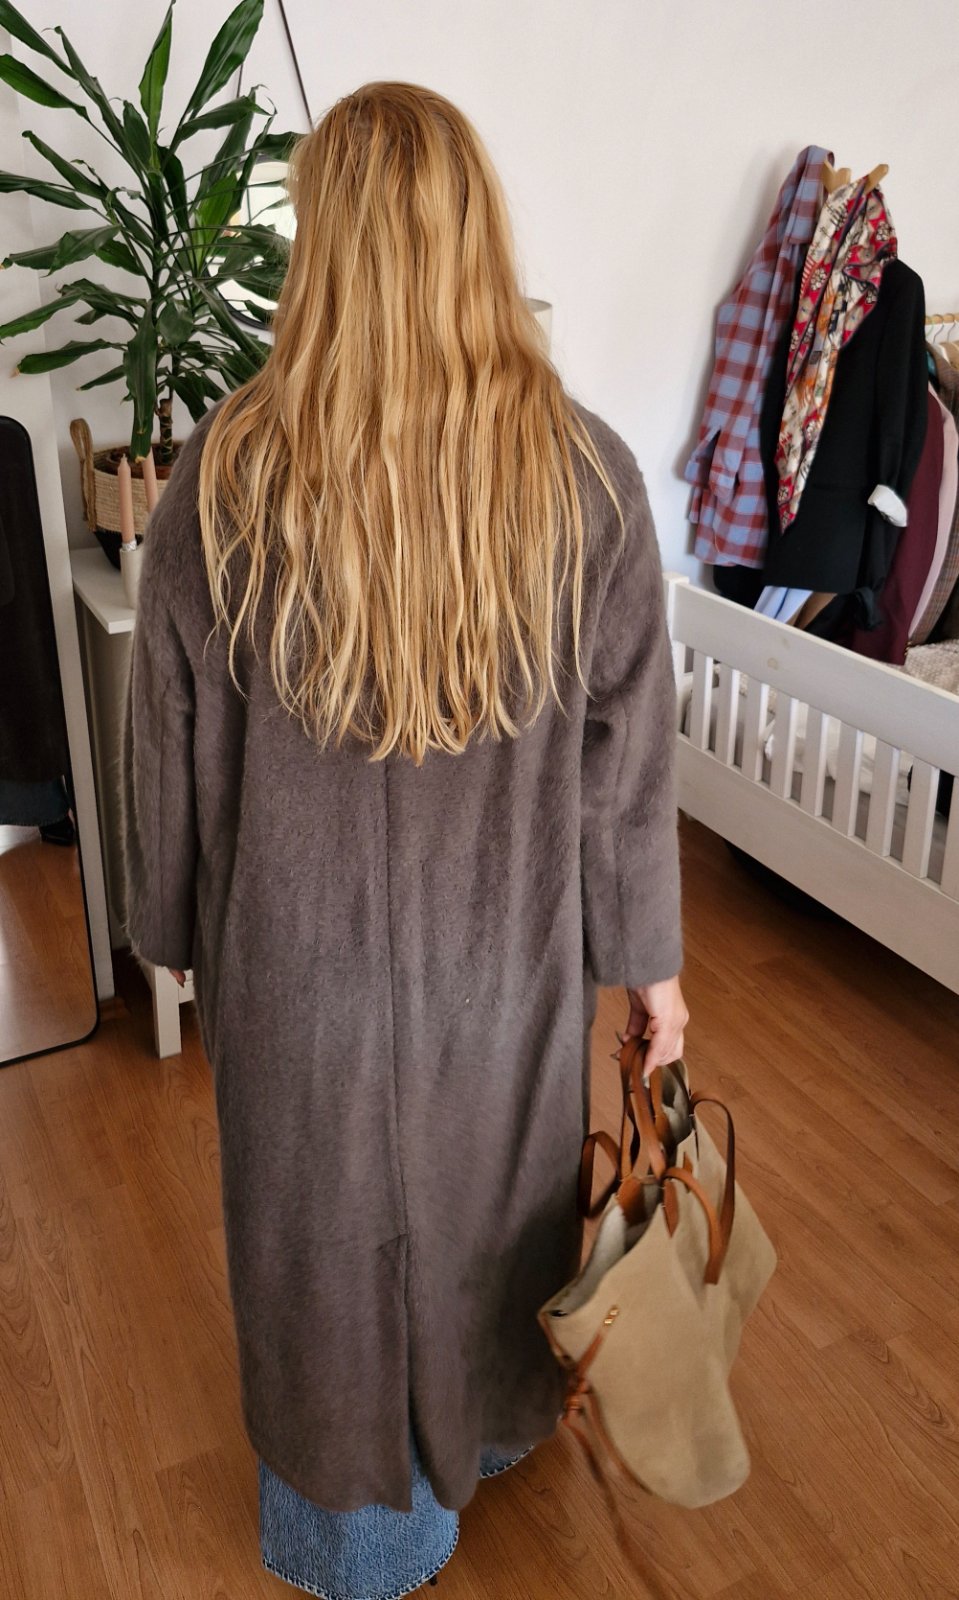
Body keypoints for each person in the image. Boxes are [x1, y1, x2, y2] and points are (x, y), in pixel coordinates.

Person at [121, 81, 686, 1599]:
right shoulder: (588, 478)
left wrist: (166, 925)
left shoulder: (224, 475)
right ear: (474, 235)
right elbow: (628, 768)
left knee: (318, 1240)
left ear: (321, 245)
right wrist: (649, 972)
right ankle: (481, 1435)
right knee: (496, 1198)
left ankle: (353, 1532)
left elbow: (166, 737)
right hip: (503, 972)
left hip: (296, 971)